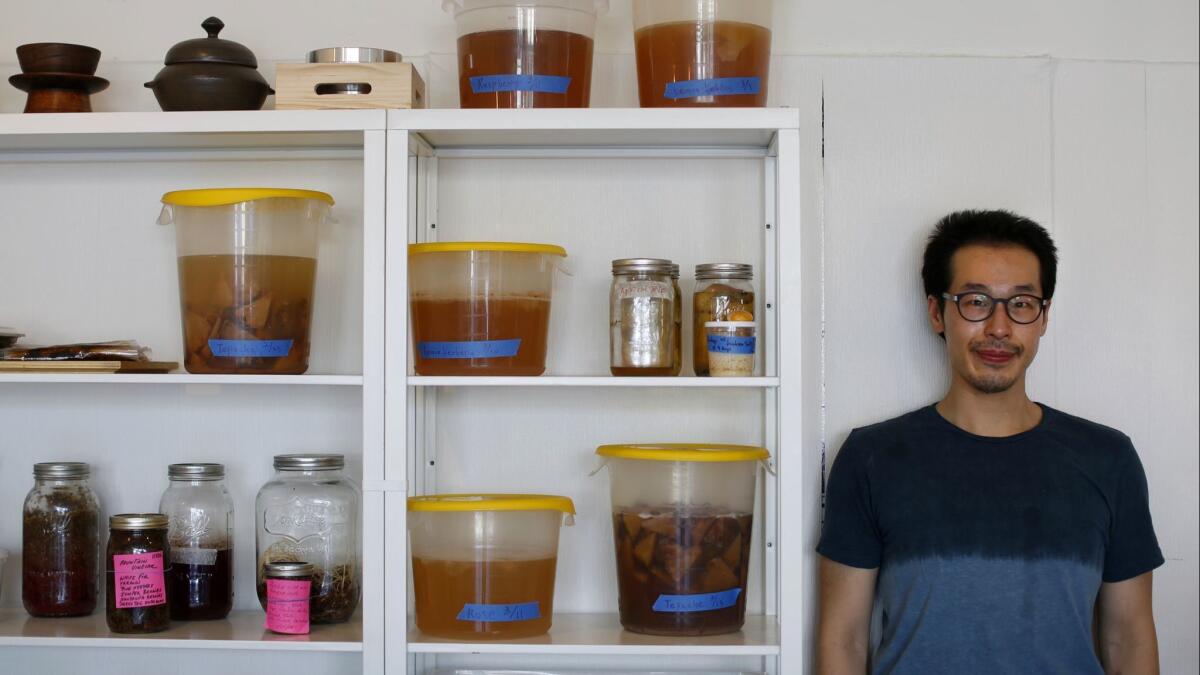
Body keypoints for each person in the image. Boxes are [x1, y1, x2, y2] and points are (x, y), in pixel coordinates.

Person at [815, 210, 1163, 674]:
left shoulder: (1108, 459)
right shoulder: (871, 458)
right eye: (976, 301)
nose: (999, 328)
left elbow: (1130, 639)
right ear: (938, 312)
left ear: (1043, 318)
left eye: (1021, 303)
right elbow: (844, 639)